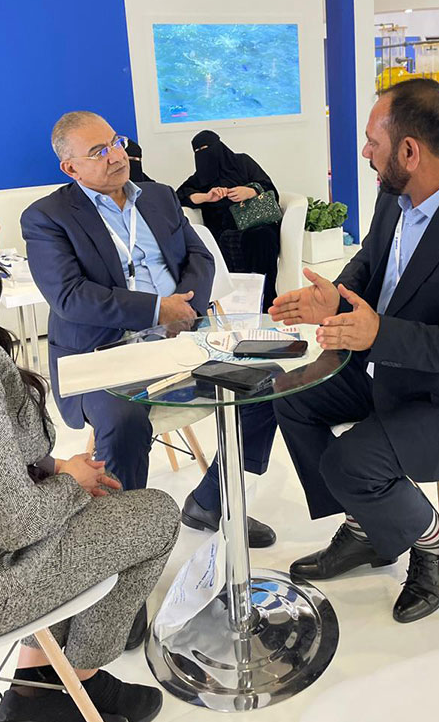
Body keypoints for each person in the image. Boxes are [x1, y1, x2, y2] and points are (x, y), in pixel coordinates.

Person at [0, 142, 179, 722]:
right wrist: (71, 482)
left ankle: (39, 687)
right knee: (155, 513)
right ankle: (70, 684)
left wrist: (51, 470)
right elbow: (12, 523)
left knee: (100, 502)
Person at [269, 79, 439, 624]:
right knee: (288, 396)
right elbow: (372, 261)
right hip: (387, 368)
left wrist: (378, 336)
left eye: (373, 142)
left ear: (409, 151)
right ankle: (370, 524)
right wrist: (338, 297)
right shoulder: (395, 195)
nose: (364, 152)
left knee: (348, 463)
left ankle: (434, 541)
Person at [21, 112, 277, 560]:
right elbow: (69, 297)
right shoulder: (47, 217)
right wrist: (158, 309)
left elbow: (199, 257)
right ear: (71, 167)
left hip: (182, 339)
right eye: (98, 152)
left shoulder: (158, 196)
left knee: (265, 386)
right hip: (104, 351)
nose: (116, 156)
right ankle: (122, 546)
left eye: (116, 142)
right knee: (124, 421)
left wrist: (185, 308)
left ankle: (213, 500)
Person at [177, 131, 281, 312]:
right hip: (223, 229)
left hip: (256, 223)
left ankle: (266, 299)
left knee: (262, 237)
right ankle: (243, 303)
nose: (204, 154)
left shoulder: (243, 163)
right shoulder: (200, 178)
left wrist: (249, 191)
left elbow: (269, 187)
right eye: (198, 151)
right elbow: (180, 196)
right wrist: (207, 197)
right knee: (230, 239)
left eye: (207, 148)